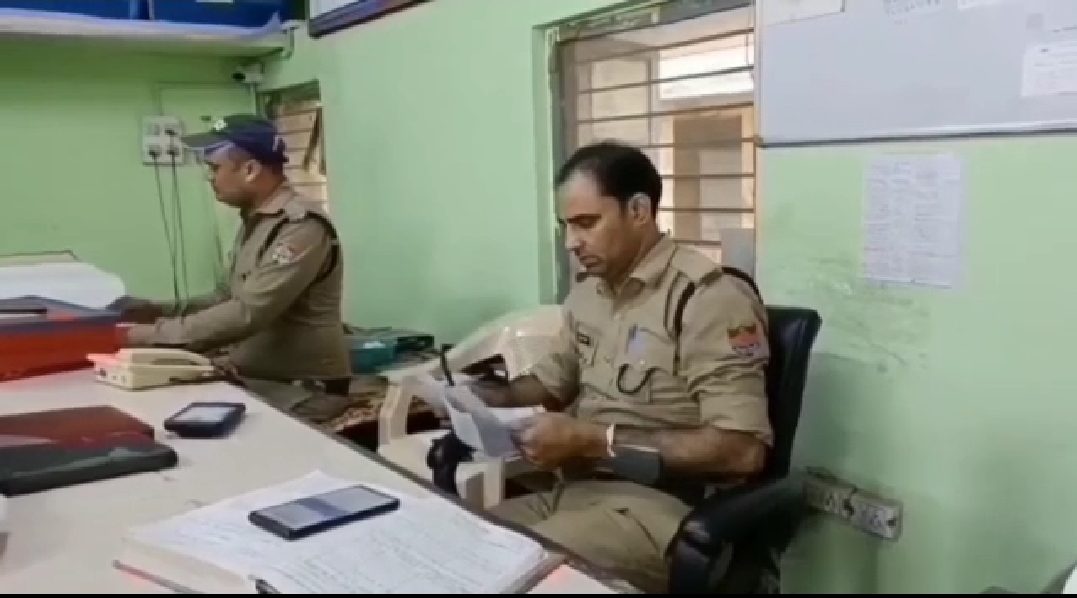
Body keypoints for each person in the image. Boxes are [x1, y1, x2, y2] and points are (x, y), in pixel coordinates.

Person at [471, 141, 772, 592]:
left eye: (586, 223)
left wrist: (592, 440)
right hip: (575, 492)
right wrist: (483, 397)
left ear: (638, 211)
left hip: (658, 509)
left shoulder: (707, 298)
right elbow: (550, 384)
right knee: (459, 547)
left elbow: (742, 450)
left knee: (509, 578)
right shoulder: (589, 295)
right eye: (565, 227)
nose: (572, 243)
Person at [111, 114, 351, 397]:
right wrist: (153, 310)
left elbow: (247, 313)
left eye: (214, 168)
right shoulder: (258, 221)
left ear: (250, 170)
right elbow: (225, 299)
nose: (210, 178)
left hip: (300, 389)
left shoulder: (300, 227)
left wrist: (136, 336)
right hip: (257, 377)